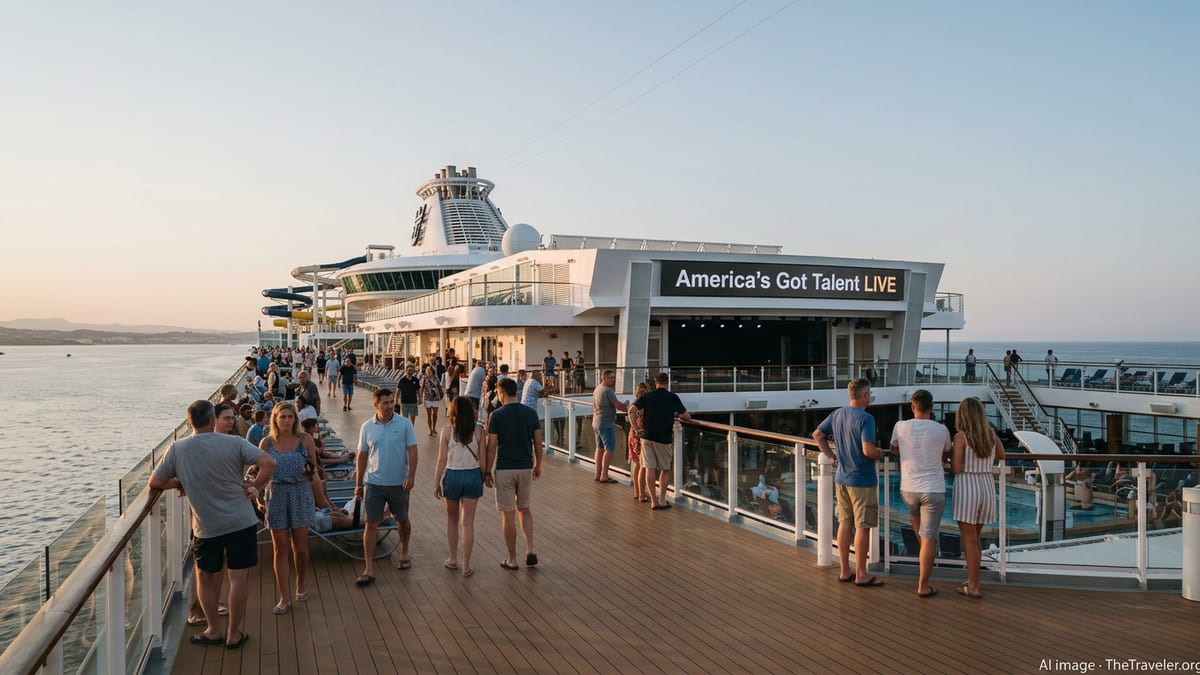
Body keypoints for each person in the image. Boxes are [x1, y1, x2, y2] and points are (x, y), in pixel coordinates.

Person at [149, 400, 275, 649]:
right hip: (240, 520)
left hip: (206, 525)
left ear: (189, 423)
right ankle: (233, 634)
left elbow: (156, 482)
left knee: (205, 577)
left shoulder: (177, 449)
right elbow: (269, 463)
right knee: (238, 577)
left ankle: (213, 630)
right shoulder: (234, 442)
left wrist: (181, 482)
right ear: (212, 420)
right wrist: (254, 486)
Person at [813, 377, 885, 587]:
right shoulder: (866, 418)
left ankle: (845, 570)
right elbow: (868, 451)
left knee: (845, 524)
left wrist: (832, 457)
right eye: (869, 394)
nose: (870, 397)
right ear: (865, 395)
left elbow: (817, 434)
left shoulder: (837, 414)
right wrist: (880, 452)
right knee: (863, 527)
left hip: (842, 477)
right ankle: (861, 574)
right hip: (862, 480)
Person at [890, 389, 951, 598]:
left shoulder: (900, 426)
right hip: (933, 489)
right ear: (931, 407)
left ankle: (924, 551)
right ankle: (923, 585)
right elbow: (946, 451)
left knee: (916, 520)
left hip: (909, 489)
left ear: (912, 407)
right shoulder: (941, 429)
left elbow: (894, 448)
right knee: (929, 539)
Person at [259, 402, 319, 614]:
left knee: (300, 548)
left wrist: (323, 500)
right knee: (280, 548)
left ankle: (300, 583)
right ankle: (284, 597)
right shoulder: (266, 443)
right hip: (276, 494)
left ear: (295, 419)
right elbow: (261, 472)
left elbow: (313, 471)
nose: (286, 420)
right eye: (282, 416)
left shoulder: (305, 440)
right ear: (275, 419)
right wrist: (256, 495)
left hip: (300, 493)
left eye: (290, 416)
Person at [354, 388, 418, 584]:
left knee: (402, 520)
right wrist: (358, 484)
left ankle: (404, 552)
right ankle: (369, 568)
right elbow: (362, 456)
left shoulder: (405, 424)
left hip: (398, 483)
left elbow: (413, 450)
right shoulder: (367, 427)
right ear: (376, 405)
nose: (390, 406)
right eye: (386, 403)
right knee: (371, 523)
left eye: (392, 402)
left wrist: (411, 476)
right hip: (373, 482)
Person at [486, 378, 543, 570]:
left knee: (508, 514)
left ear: (501, 393)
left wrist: (486, 471)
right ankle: (530, 549)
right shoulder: (531, 413)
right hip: (525, 468)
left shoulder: (496, 415)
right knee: (524, 508)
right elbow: (538, 442)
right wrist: (538, 465)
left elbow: (491, 446)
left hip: (505, 468)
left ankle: (512, 559)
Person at [951, 396, 1005, 599]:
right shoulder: (991, 434)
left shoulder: (961, 438)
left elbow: (956, 468)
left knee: (969, 540)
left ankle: (973, 586)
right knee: (976, 539)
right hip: (986, 486)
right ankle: (973, 581)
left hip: (967, 486)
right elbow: (1002, 455)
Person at [434, 397, 490, 578]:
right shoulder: (479, 432)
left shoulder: (446, 431)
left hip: (452, 476)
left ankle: (453, 559)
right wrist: (483, 476)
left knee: (452, 520)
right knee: (468, 522)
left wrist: (436, 483)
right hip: (472, 475)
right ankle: (466, 565)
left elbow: (442, 460)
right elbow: (483, 460)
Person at [633, 372, 690, 511]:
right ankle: (662, 500)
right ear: (667, 383)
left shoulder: (647, 396)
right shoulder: (672, 397)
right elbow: (686, 415)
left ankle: (653, 501)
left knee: (649, 468)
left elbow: (630, 410)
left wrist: (636, 429)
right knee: (665, 469)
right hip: (663, 438)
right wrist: (677, 414)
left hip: (647, 436)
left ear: (656, 382)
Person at [592, 369, 628, 483]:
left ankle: (597, 474)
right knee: (609, 449)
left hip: (596, 422)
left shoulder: (598, 388)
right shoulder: (608, 390)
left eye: (614, 378)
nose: (613, 380)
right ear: (604, 378)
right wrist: (627, 407)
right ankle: (604, 475)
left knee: (599, 448)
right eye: (611, 378)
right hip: (606, 423)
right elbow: (618, 406)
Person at [627, 382, 651, 503]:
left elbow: (630, 413)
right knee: (643, 464)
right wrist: (637, 429)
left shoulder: (635, 402)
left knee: (636, 463)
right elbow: (631, 413)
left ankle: (637, 491)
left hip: (633, 434)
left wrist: (634, 429)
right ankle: (642, 493)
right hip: (640, 435)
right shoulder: (642, 405)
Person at [420, 364, 445, 436]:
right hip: (427, 398)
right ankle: (430, 429)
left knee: (435, 414)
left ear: (432, 371)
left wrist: (441, 394)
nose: (428, 372)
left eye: (429, 370)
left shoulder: (436, 378)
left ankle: (434, 428)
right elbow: (422, 388)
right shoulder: (424, 378)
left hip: (435, 398)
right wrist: (420, 397)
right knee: (429, 415)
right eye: (427, 370)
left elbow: (439, 387)